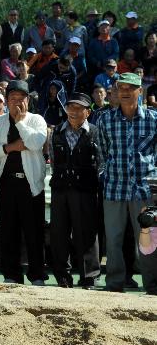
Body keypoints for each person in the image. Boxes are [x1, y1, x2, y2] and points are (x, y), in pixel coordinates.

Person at [95, 72, 157, 292]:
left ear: (140, 91)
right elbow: (102, 152)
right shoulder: (105, 120)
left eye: (130, 88)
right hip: (114, 188)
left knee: (148, 240)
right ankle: (114, 283)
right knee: (113, 240)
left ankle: (152, 284)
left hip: (144, 191)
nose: (125, 92)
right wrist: (107, 173)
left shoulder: (153, 119)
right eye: (121, 88)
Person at [0, 80, 48, 285]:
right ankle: (11, 275)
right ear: (6, 101)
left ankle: (37, 275)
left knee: (34, 233)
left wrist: (21, 122)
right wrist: (10, 147)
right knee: (8, 232)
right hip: (6, 184)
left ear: (28, 100)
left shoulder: (36, 119)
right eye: (12, 99)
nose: (16, 103)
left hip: (31, 185)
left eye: (21, 98)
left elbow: (36, 143)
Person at [48, 93, 100, 289]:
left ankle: (90, 277)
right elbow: (53, 161)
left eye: (79, 108)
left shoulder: (95, 132)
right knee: (59, 233)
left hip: (85, 189)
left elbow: (101, 161)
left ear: (87, 112)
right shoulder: (57, 132)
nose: (73, 111)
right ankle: (63, 277)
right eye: (71, 107)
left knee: (86, 232)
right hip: (61, 189)